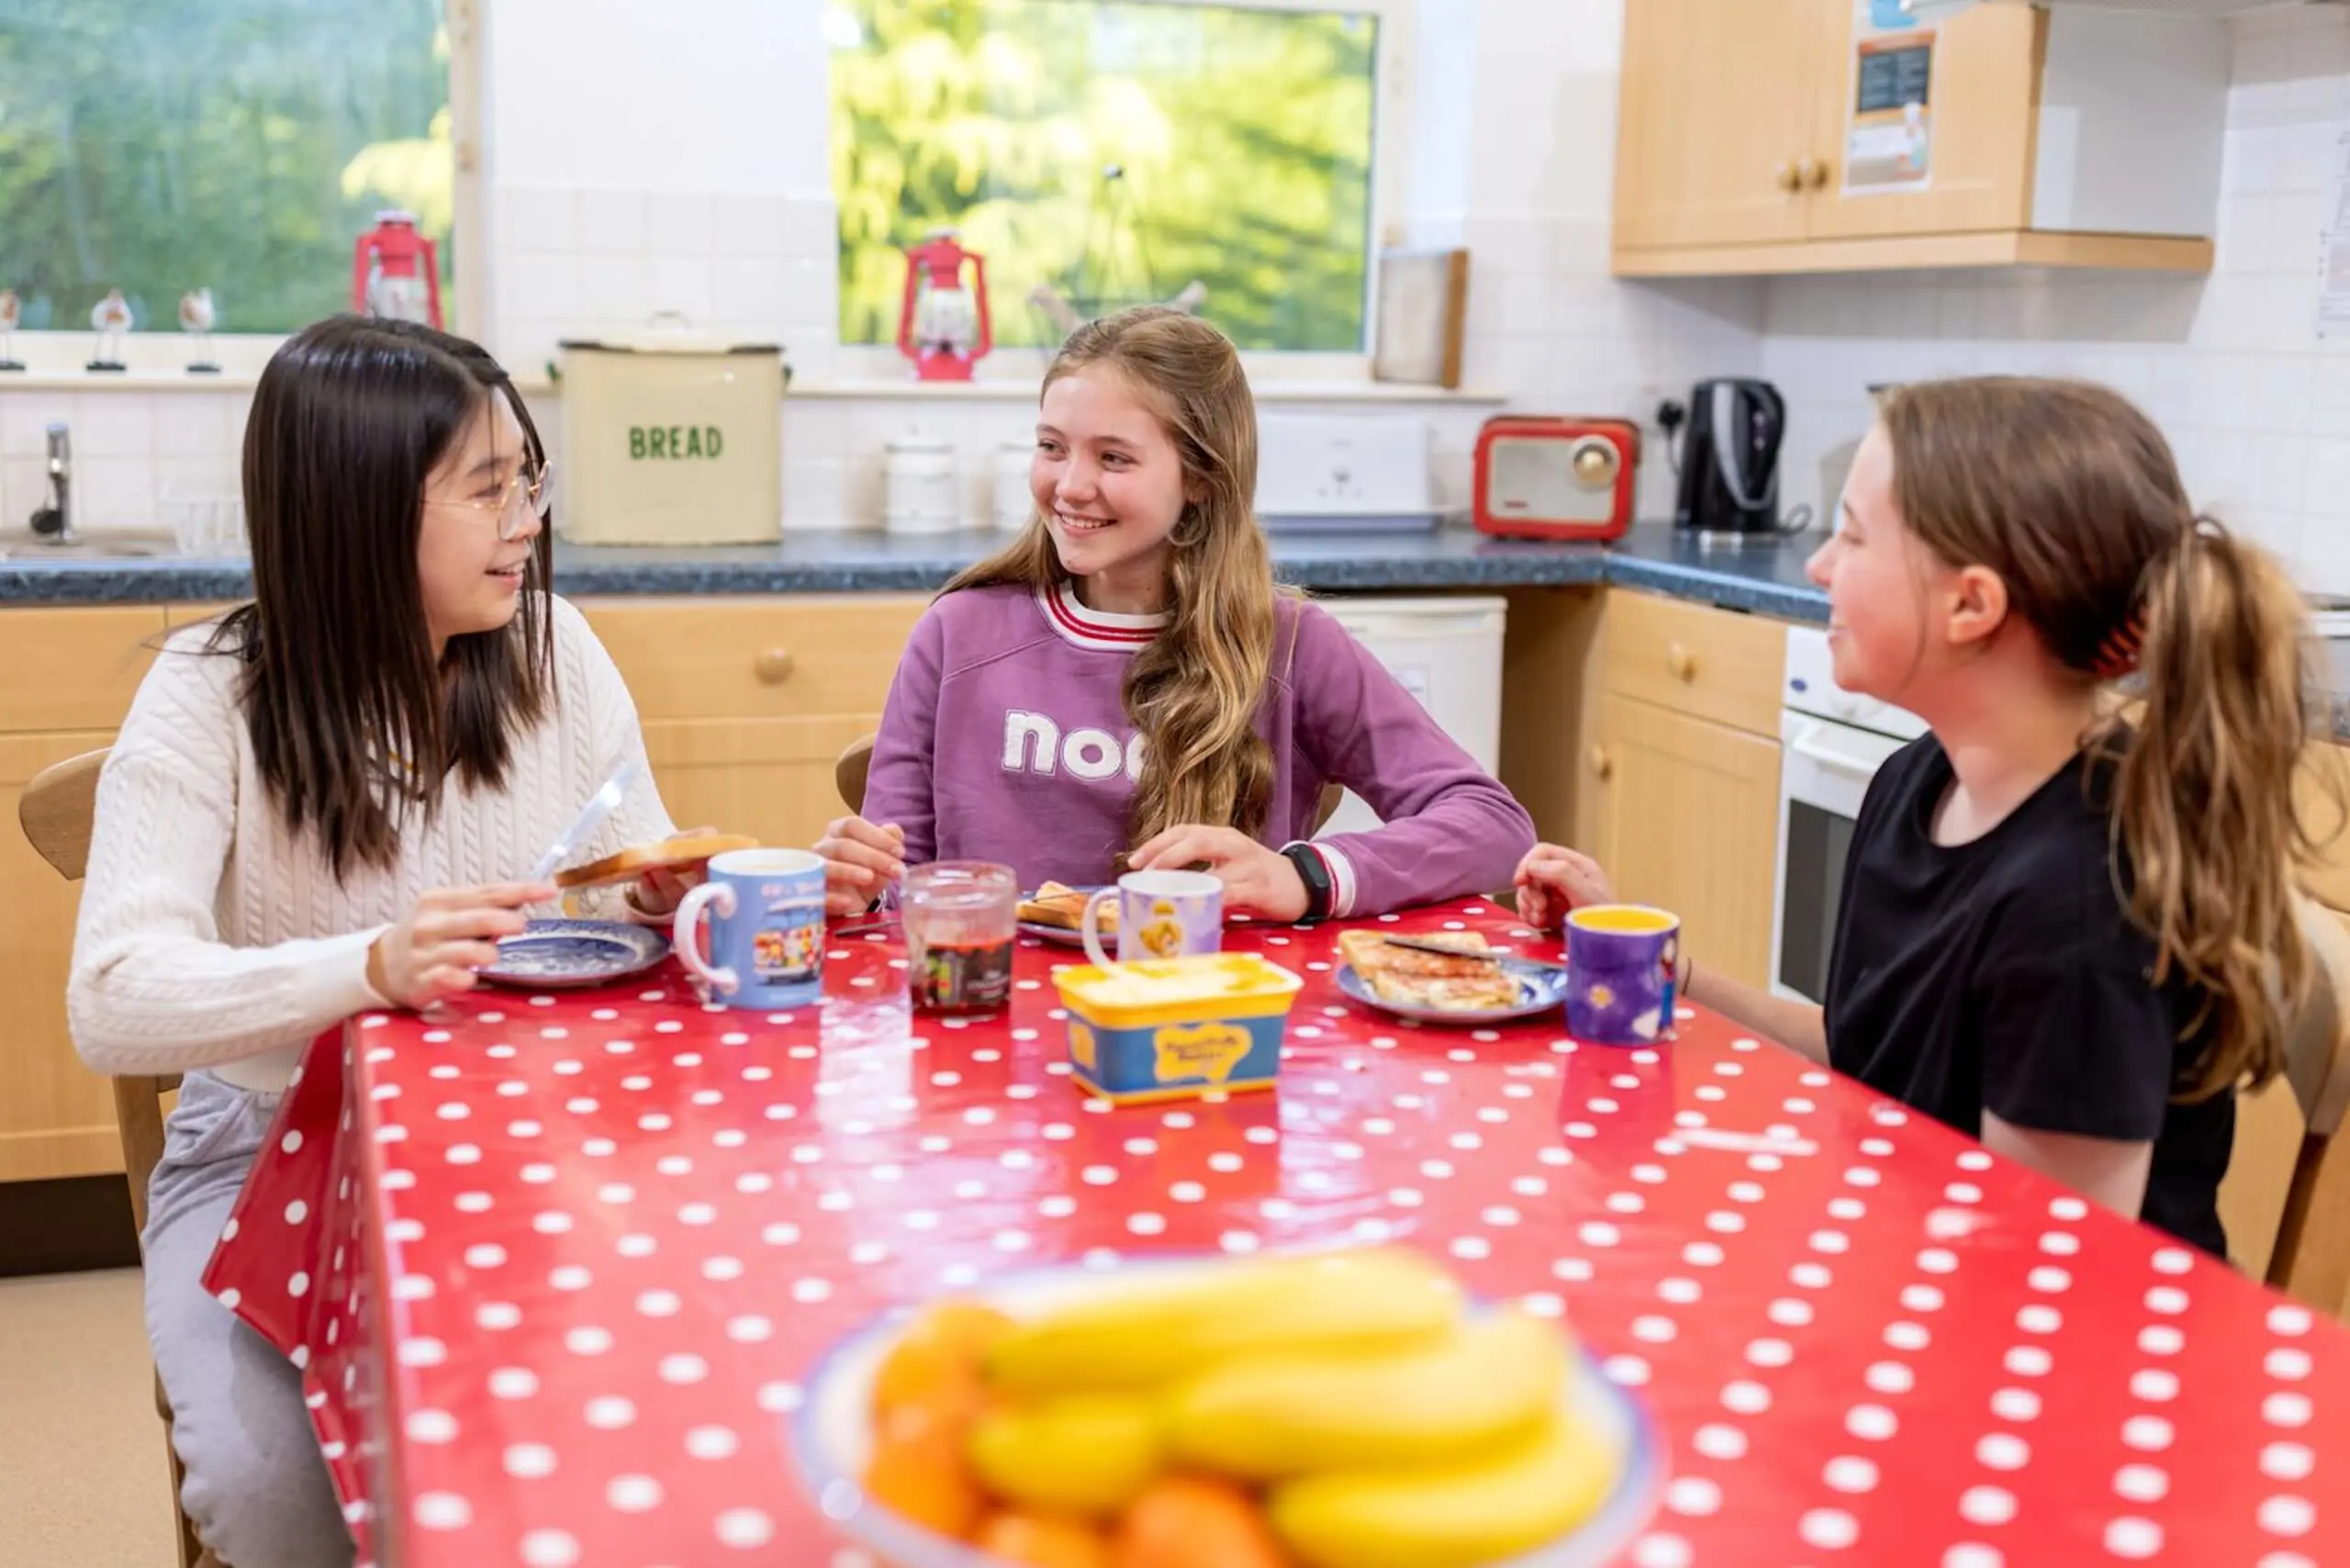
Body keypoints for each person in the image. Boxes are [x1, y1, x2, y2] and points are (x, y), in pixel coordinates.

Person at [67, 316, 684, 1566]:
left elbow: (626, 875)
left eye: (531, 478)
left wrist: (670, 899)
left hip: (521, 1140)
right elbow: (114, 996)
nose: (530, 518)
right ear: (355, 511)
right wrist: (367, 968)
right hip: (260, 1161)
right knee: (271, 1491)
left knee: (633, 1412)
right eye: (488, 488)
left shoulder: (556, 655)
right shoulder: (208, 695)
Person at [1516, 377, 2322, 1256]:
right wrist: (1653, 962)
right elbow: (1864, 1055)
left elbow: (2049, 1259)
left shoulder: (2082, 905)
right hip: (1924, 1268)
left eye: (1854, 535)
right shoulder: (1914, 782)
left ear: (1971, 605)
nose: (1818, 565)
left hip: (2077, 1351)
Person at [817, 306, 1532, 922]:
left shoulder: (1291, 647)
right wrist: (854, 887)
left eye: (1115, 459)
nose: (1071, 485)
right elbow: (895, 898)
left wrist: (1301, 875)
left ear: (1199, 476)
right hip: (994, 1024)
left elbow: (1494, 827)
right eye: (1051, 447)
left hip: (1209, 1025)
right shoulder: (958, 632)